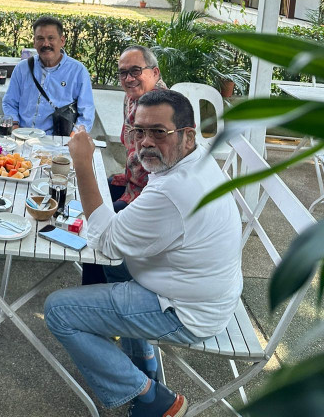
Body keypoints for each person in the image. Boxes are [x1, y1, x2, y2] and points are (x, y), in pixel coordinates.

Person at [44, 90, 242, 417]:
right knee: (116, 264)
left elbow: (105, 241)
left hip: (187, 310)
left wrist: (81, 164)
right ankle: (144, 361)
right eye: (139, 131)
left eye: (158, 132)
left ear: (187, 135)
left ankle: (150, 397)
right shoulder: (193, 159)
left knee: (58, 310)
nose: (146, 142)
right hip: (203, 288)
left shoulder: (175, 189)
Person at [2, 16, 94, 134]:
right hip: (22, 136)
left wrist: (73, 137)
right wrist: (15, 127)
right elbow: (9, 102)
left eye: (51, 38)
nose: (46, 44)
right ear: (34, 42)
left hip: (58, 141)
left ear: (62, 41)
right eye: (40, 38)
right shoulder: (22, 68)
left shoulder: (78, 72)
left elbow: (86, 113)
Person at [109, 45, 167, 211]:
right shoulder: (132, 97)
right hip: (131, 182)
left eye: (135, 71)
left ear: (155, 73)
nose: (128, 78)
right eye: (123, 73)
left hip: (151, 195)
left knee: (97, 220)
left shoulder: (161, 107)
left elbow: (162, 170)